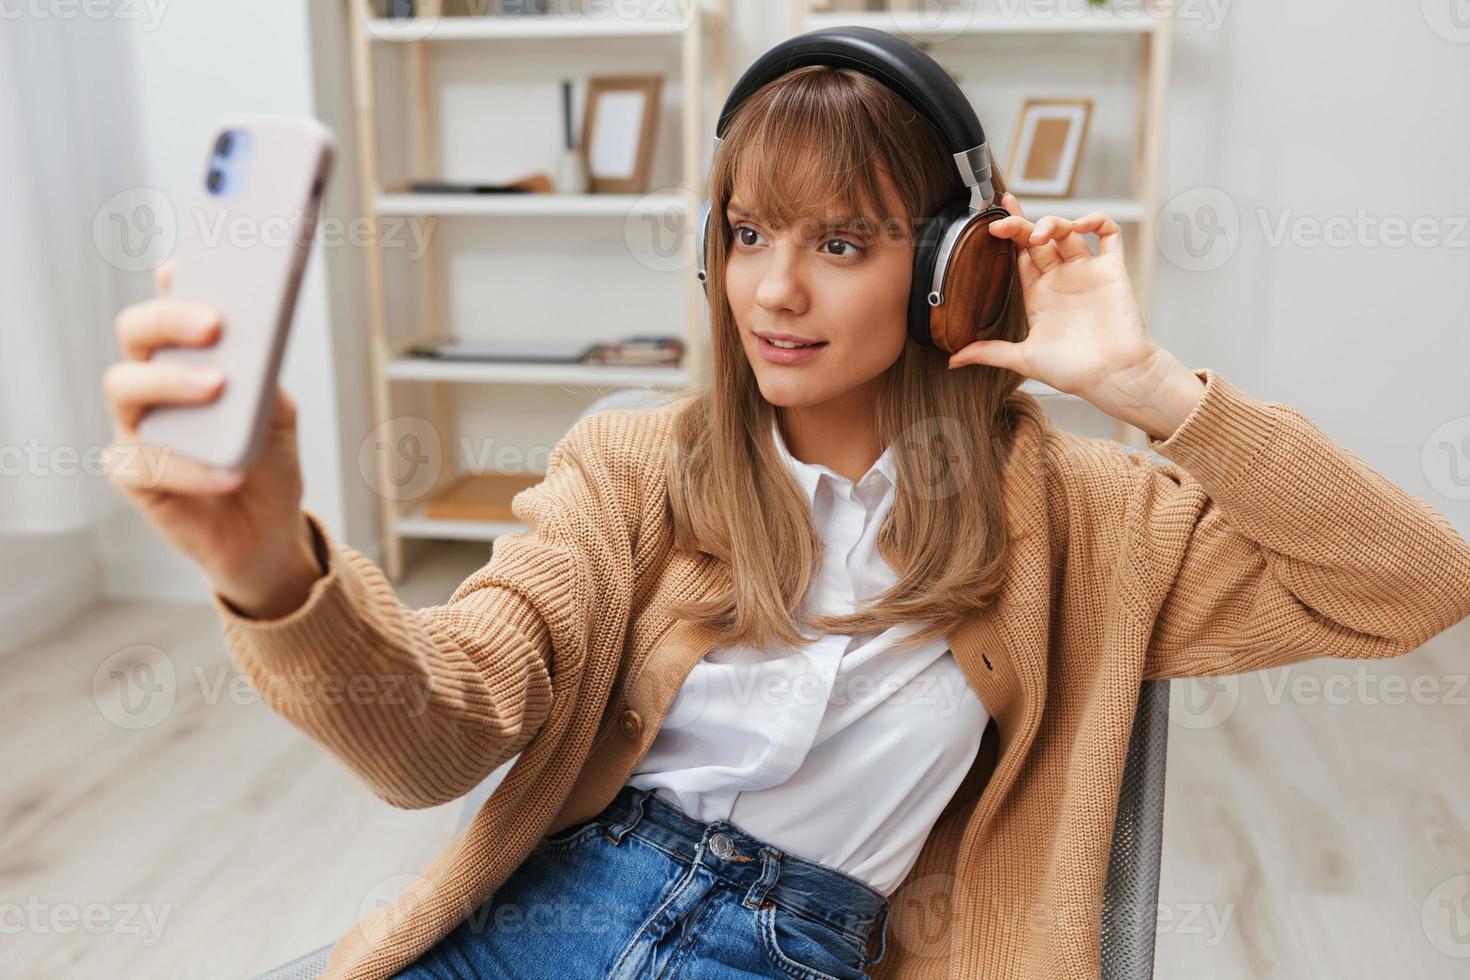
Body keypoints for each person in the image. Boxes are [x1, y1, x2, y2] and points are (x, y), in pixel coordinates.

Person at [102, 54, 1470, 980]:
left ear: (947, 276)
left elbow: (1410, 583)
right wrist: (268, 565)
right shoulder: (635, 466)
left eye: (840, 242)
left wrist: (1151, 390)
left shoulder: (1081, 514)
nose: (772, 293)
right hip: (545, 918)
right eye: (748, 233)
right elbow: (438, 737)